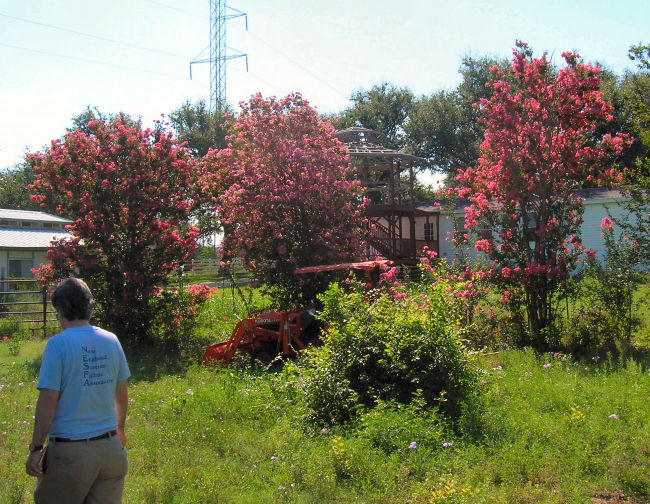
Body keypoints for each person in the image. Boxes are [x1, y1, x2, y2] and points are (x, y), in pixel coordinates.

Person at [25, 277, 131, 504]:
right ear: (88, 306)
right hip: (111, 450)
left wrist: (36, 447)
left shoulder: (58, 345)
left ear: (61, 309)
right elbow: (121, 392)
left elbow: (48, 400)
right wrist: (119, 429)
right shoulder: (111, 340)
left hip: (71, 453)